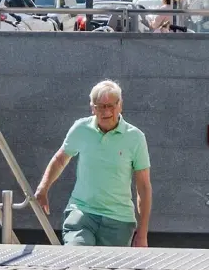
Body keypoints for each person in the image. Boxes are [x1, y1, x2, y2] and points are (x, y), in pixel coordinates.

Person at [33, 79, 152, 248]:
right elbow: (60, 159)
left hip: (118, 220)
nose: (107, 111)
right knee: (78, 256)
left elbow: (143, 187)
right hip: (82, 212)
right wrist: (43, 188)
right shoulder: (81, 128)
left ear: (120, 105)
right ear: (92, 108)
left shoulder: (136, 138)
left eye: (111, 105)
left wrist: (142, 233)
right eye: (100, 106)